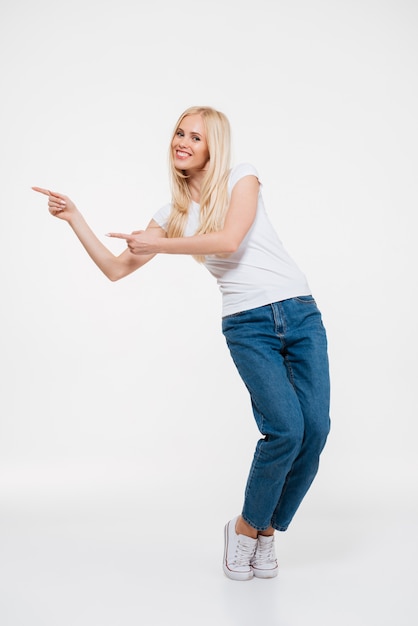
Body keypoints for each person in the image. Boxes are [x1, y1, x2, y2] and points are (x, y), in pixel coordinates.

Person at [33, 105, 330, 581]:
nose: (183, 142)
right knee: (285, 430)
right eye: (178, 133)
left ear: (213, 146)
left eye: (195, 136)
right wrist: (74, 218)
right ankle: (246, 529)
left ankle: (264, 529)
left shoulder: (242, 177)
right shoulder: (170, 213)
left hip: (299, 311)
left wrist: (159, 245)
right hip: (246, 325)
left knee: (314, 431)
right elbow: (115, 268)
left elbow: (230, 240)